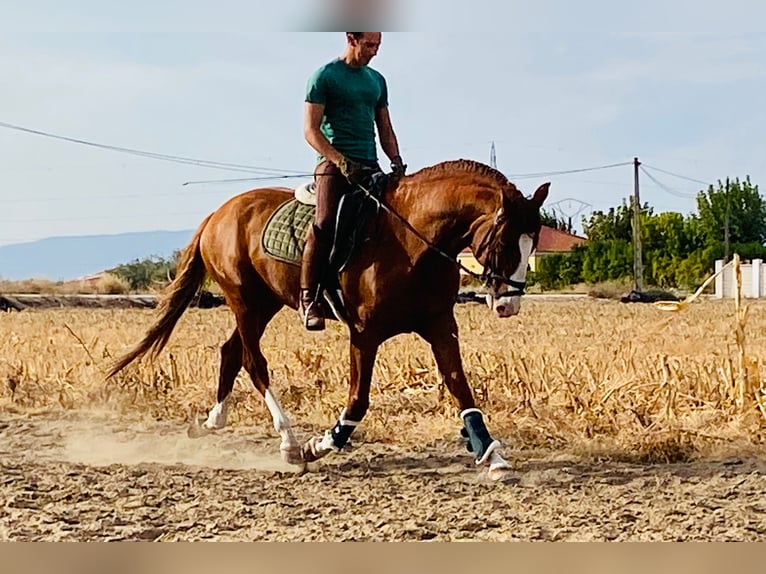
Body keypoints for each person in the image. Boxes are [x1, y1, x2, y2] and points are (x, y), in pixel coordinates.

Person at [300, 32, 406, 331]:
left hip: (369, 164)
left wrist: (396, 160)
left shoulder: (376, 81)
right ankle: (309, 297)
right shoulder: (324, 77)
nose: (374, 52)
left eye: (378, 46)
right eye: (370, 45)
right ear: (351, 38)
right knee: (326, 223)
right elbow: (310, 131)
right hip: (333, 166)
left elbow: (384, 127)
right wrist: (340, 160)